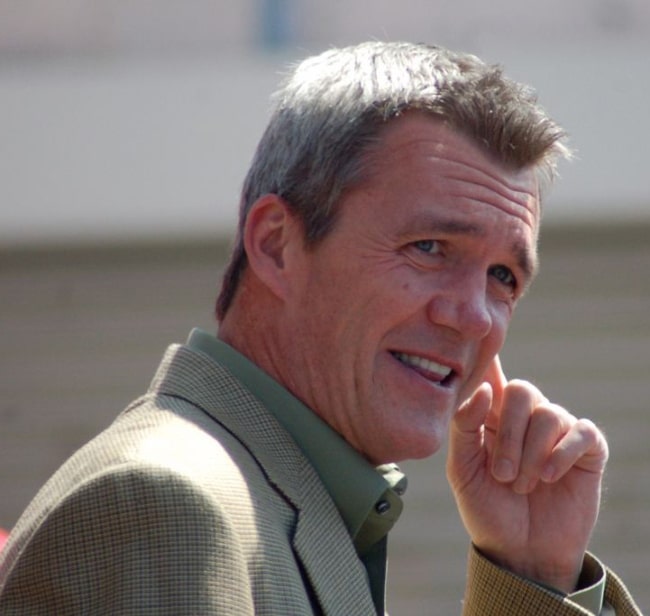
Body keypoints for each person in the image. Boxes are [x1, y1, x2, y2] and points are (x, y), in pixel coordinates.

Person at [0, 41, 641, 615]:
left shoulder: (280, 500)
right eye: (429, 247)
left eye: (503, 275)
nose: (474, 316)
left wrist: (530, 576)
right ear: (277, 245)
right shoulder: (164, 505)